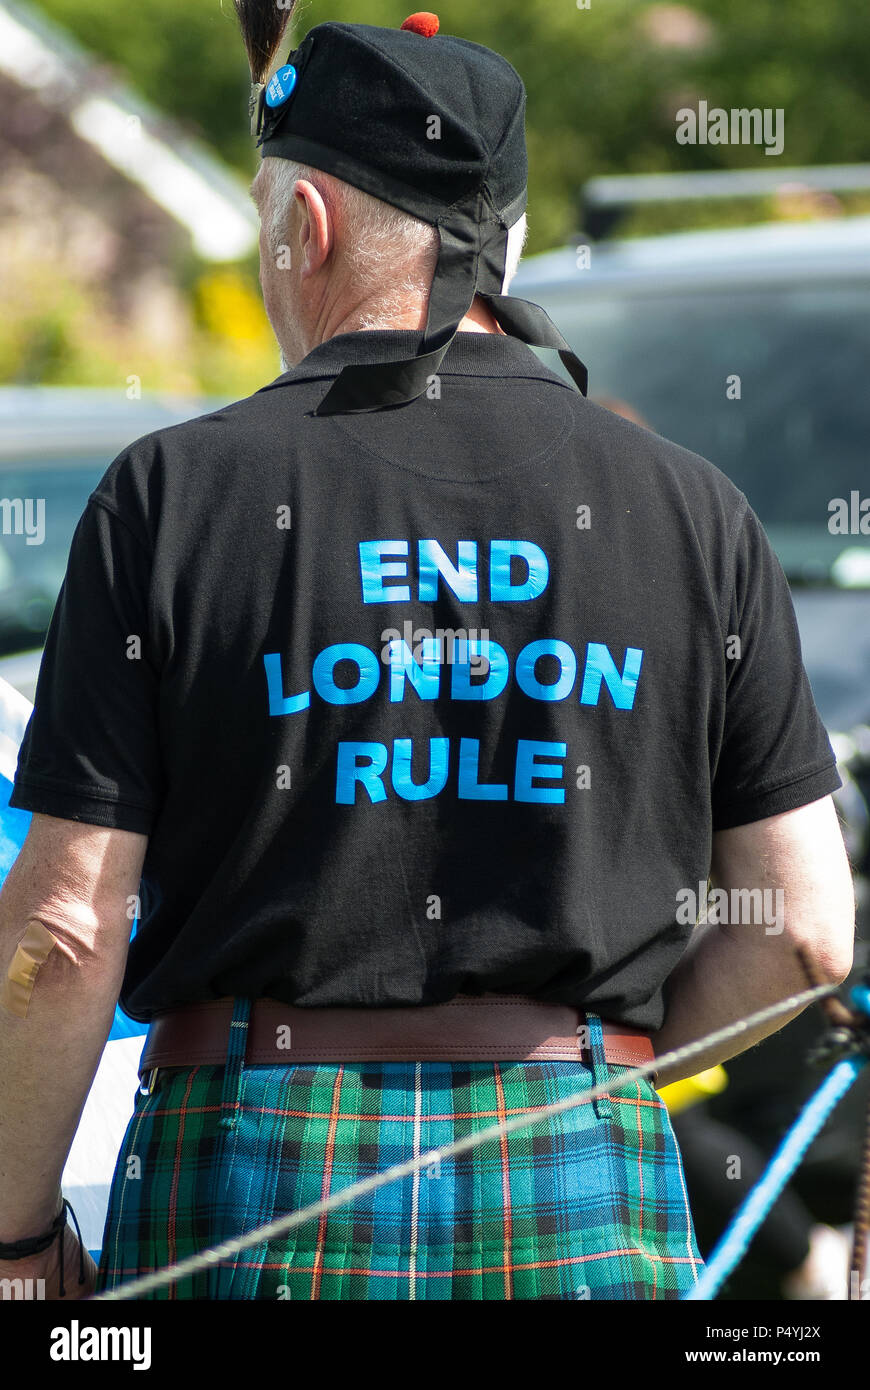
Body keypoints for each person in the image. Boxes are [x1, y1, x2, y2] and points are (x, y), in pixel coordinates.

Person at [0, 8, 855, 1302]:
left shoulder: (173, 495)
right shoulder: (694, 508)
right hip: (581, 1168)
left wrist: (11, 1237)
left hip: (251, 1169)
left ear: (308, 228)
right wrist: (606, 1068)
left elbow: (65, 926)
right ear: (499, 245)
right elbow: (800, 928)